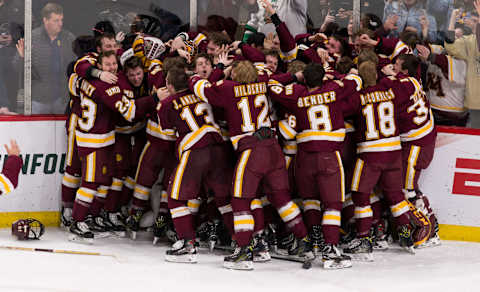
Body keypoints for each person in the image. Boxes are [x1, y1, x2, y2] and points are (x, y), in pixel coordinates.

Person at [191, 60, 314, 270]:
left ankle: (244, 249)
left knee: (240, 200)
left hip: (251, 149)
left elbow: (200, 87)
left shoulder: (229, 88)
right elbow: (278, 79)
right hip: (273, 147)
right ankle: (304, 241)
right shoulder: (264, 82)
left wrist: (217, 69)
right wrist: (295, 76)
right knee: (281, 198)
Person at [267, 63, 359, 269]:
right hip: (329, 156)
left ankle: (314, 241)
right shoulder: (333, 90)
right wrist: (332, 74)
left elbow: (271, 85)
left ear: (304, 79)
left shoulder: (297, 94)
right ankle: (330, 250)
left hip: (304, 157)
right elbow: (356, 80)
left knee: (310, 200)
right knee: (333, 204)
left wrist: (294, 76)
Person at [67, 51, 155, 243]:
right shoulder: (107, 87)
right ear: (99, 66)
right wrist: (154, 100)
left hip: (101, 138)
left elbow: (74, 76)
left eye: (114, 64)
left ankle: (90, 217)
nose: (112, 68)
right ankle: (77, 221)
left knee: (101, 180)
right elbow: (130, 112)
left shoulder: (82, 80)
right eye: (107, 65)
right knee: (91, 182)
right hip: (93, 140)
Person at [342, 61, 415, 260]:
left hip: (370, 154)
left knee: (360, 195)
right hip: (393, 151)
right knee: (395, 195)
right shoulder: (391, 92)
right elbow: (405, 92)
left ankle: (364, 238)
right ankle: (406, 233)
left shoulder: (359, 97)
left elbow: (340, 109)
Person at [13, 2, 75, 114]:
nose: (60, 24)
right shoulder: (32, 38)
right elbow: (16, 68)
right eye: (56, 20)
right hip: (38, 99)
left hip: (62, 98)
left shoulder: (68, 38)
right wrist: (22, 58)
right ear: (45, 20)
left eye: (61, 20)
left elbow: (76, 65)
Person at [444, 3, 480, 128]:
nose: (475, 23)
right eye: (474, 20)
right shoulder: (467, 41)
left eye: (478, 21)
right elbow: (450, 44)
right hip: (476, 102)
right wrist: (453, 19)